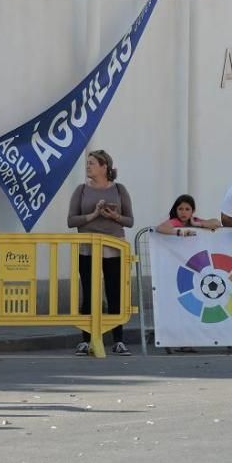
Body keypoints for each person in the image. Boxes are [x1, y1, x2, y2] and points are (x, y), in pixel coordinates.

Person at [66, 149, 134, 356]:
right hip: (87, 246)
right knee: (89, 292)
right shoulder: (81, 190)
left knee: (114, 292)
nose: (88, 166)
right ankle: (86, 340)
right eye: (87, 163)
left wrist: (114, 216)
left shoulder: (119, 189)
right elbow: (71, 221)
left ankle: (118, 340)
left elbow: (130, 221)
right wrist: (93, 214)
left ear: (105, 167)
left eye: (92, 163)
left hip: (114, 246)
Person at [156, 194, 222, 236]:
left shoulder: (195, 220)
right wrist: (181, 232)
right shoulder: (176, 221)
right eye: (180, 209)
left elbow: (217, 223)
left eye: (187, 209)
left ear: (193, 211)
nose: (183, 212)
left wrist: (197, 224)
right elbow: (160, 228)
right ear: (176, 210)